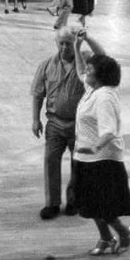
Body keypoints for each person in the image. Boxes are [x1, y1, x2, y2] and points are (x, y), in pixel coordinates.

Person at [31, 26, 106, 220]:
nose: (64, 47)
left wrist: (87, 38)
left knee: (78, 163)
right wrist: (35, 119)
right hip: (54, 124)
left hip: (79, 125)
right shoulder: (46, 65)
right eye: (61, 43)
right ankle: (52, 203)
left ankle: (73, 201)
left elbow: (103, 55)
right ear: (56, 44)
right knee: (50, 161)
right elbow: (38, 94)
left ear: (74, 44)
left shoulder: (86, 61)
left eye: (68, 43)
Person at [72, 50, 130, 256]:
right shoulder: (92, 89)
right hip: (85, 158)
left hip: (103, 160)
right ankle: (106, 238)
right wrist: (77, 45)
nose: (86, 71)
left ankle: (124, 233)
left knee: (105, 208)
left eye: (90, 69)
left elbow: (109, 131)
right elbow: (81, 70)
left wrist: (95, 147)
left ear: (100, 75)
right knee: (90, 206)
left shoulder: (104, 97)